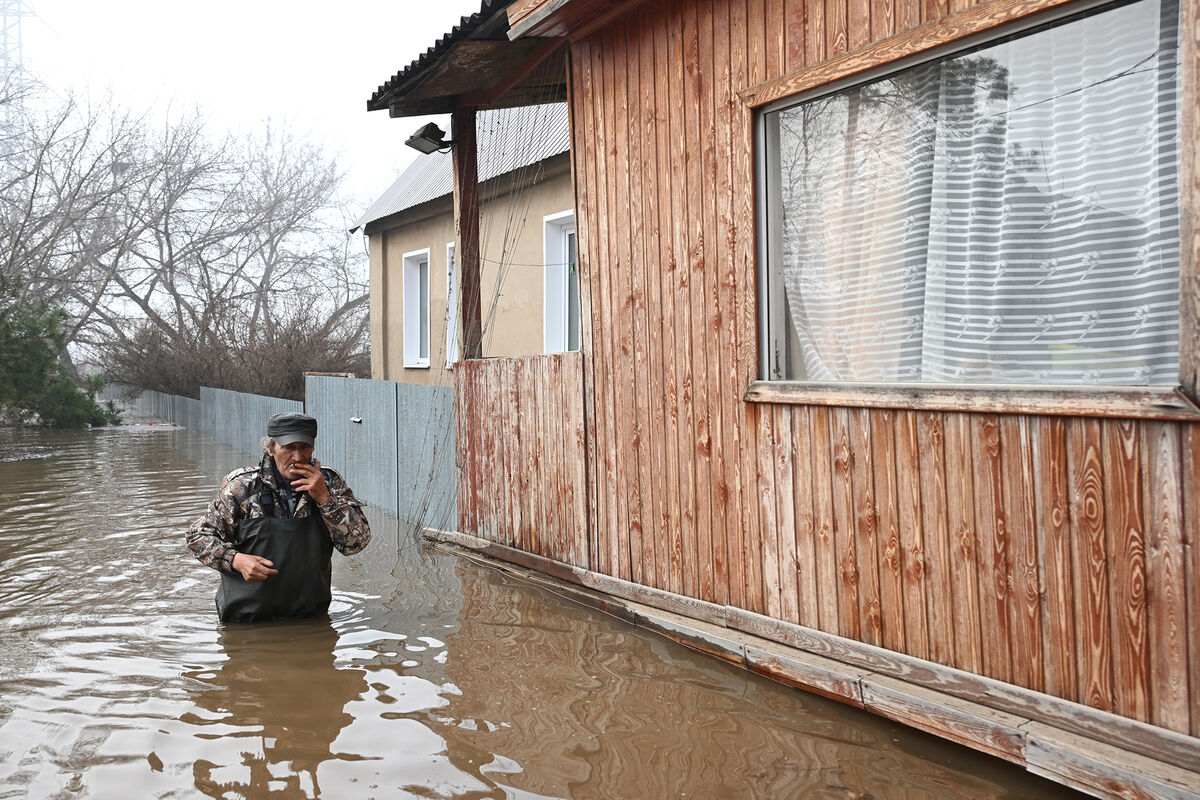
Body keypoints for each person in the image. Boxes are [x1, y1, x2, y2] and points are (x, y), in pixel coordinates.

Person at [186, 411, 371, 622]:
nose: (298, 457)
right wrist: (236, 560)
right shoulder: (242, 486)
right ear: (270, 448)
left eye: (304, 447)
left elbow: (357, 543)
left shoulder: (329, 482)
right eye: (289, 448)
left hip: (311, 621)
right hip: (247, 623)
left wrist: (325, 499)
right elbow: (197, 536)